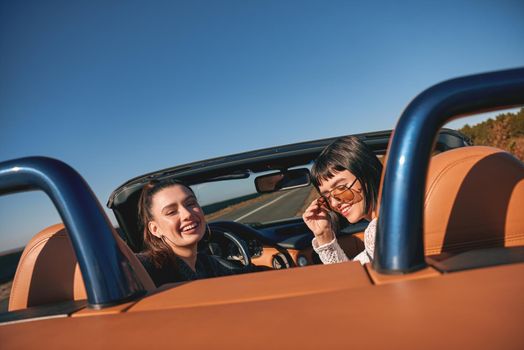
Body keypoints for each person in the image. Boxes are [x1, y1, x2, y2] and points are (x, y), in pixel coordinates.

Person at [137, 178, 263, 287]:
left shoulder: (205, 264)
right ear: (155, 229)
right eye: (171, 212)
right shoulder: (148, 268)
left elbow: (241, 280)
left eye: (191, 203)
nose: (187, 214)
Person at [302, 136, 383, 265]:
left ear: (367, 174)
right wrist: (323, 235)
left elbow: (352, 282)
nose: (334, 203)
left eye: (340, 188)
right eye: (327, 197)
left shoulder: (380, 230)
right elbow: (351, 275)